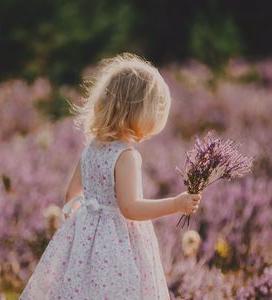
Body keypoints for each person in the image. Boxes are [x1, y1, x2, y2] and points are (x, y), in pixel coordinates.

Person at [19, 52, 201, 300]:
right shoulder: (126, 156)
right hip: (117, 245)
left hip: (86, 237)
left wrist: (81, 226)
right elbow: (130, 208)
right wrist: (176, 204)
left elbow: (70, 195)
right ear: (138, 111)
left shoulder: (91, 148)